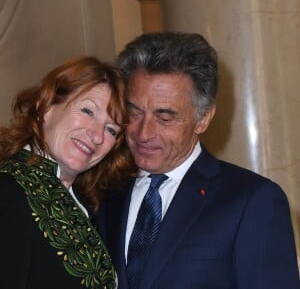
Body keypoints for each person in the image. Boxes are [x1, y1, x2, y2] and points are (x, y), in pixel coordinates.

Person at [98, 32, 300, 289]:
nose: (143, 133)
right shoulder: (106, 191)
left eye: (164, 117)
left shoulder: (253, 200)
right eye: (134, 112)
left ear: (203, 118)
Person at [0, 56, 137, 289]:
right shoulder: (7, 191)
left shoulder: (86, 205)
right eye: (87, 111)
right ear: (46, 107)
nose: (96, 135)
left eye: (111, 130)